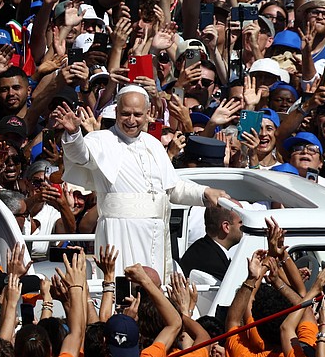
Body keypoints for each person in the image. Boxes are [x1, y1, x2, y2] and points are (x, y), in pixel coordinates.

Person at [52, 86, 231, 278]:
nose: (131, 120)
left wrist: (205, 193)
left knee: (153, 292)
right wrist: (73, 134)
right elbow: (81, 155)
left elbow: (173, 188)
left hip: (156, 233)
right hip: (120, 233)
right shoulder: (100, 139)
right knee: (123, 288)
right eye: (125, 114)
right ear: (117, 112)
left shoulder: (153, 143)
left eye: (137, 114)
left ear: (147, 115)